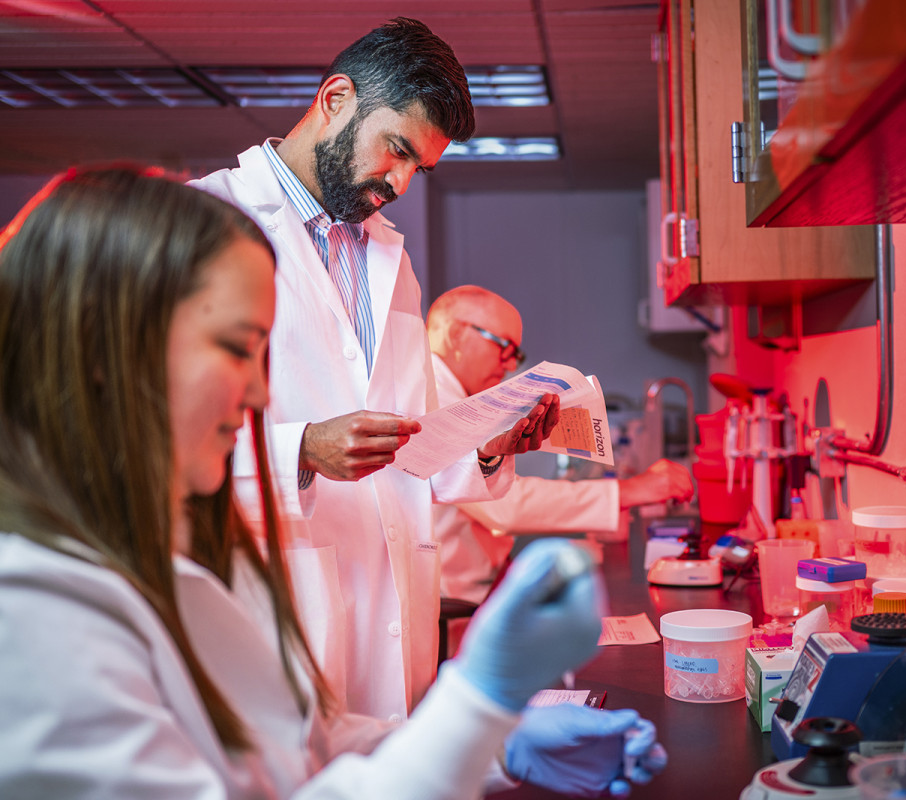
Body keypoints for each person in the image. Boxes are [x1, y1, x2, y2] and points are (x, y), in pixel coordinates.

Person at [0, 165, 667, 799]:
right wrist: (475, 706)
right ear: (101, 350)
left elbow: (303, 745)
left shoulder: (174, 554)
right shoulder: (29, 612)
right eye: (236, 349)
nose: (261, 391)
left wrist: (501, 741)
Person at [189, 17, 555, 719]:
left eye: (419, 167)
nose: (403, 182)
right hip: (272, 603)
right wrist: (302, 451)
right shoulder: (203, 223)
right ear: (334, 98)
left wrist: (484, 444)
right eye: (396, 149)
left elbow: (411, 435)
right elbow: (138, 447)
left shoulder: (389, 257)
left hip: (398, 612)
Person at [427, 285, 695, 614]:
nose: (510, 366)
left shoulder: (451, 394)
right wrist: (630, 490)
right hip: (455, 601)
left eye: (517, 355)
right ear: (456, 334)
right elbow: (504, 508)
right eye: (504, 347)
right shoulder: (432, 398)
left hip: (478, 584)